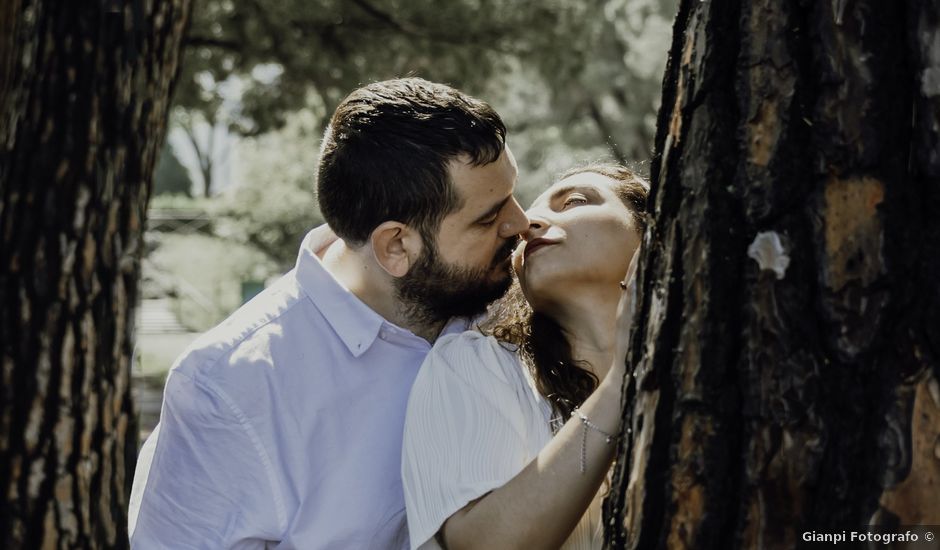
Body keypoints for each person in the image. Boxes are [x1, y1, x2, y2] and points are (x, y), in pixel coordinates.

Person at [128, 78, 529, 548]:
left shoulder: (506, 299)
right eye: (488, 218)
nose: (521, 223)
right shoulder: (230, 390)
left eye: (513, 196)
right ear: (396, 245)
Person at [401, 164, 648, 549]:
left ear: (649, 231)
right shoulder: (478, 364)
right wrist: (620, 384)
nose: (527, 223)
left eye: (575, 201)